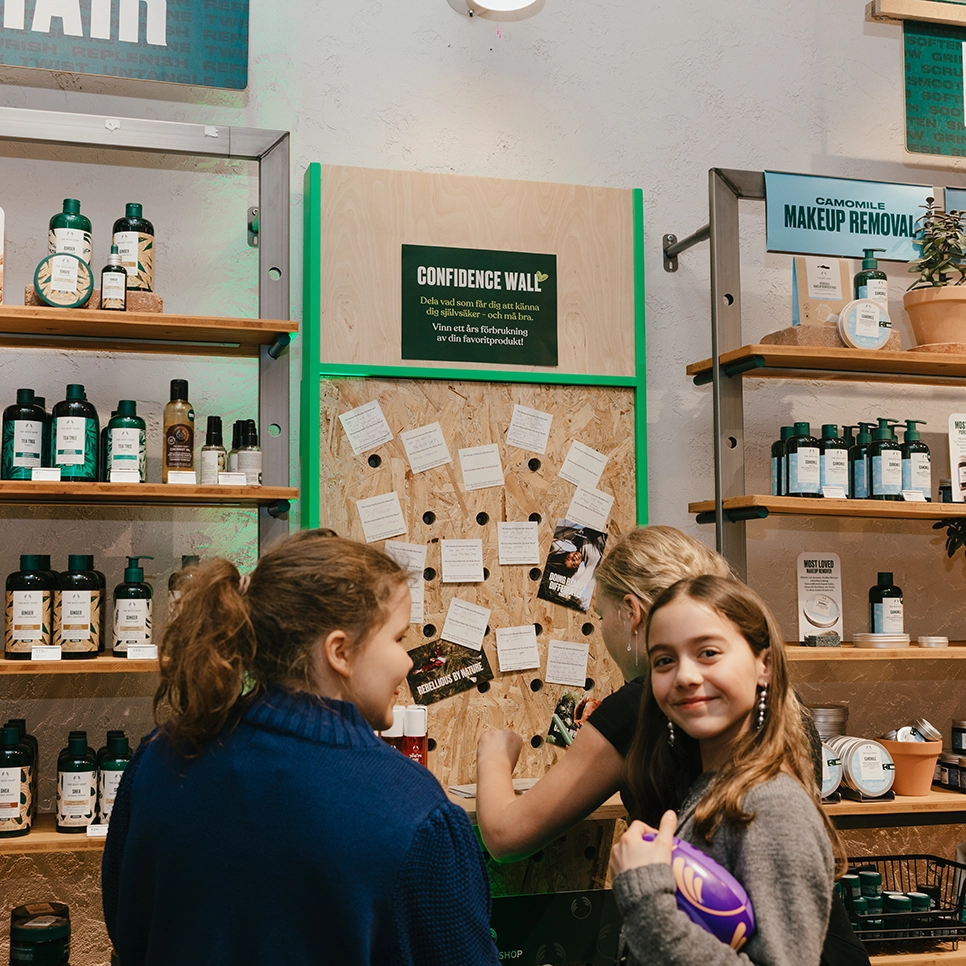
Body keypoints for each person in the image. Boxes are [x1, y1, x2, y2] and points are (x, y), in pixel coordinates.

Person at [101, 530, 500, 966]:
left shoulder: (159, 758)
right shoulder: (413, 812)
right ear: (340, 652)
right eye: (398, 639)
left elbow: (129, 933)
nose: (408, 662)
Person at [609, 575, 843, 966]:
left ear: (764, 665)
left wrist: (646, 897)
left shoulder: (773, 808)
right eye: (664, 660)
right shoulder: (712, 786)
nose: (685, 676)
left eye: (708, 653)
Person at [476, 525, 731, 861]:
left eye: (600, 616)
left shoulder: (640, 704)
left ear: (631, 612)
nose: (603, 629)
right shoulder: (761, 690)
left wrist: (494, 756)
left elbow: (505, 835)